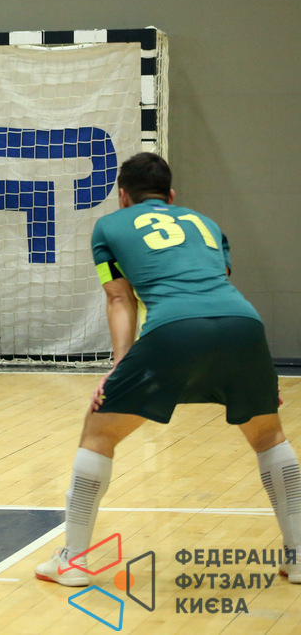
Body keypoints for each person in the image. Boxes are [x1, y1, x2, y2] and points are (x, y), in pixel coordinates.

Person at [35, 152, 299, 586]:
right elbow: (215, 281)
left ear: (123, 195)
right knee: (268, 436)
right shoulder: (206, 223)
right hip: (243, 324)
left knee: (98, 432)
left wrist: (120, 368)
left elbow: (120, 298)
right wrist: (253, 371)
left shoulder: (109, 226)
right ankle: (300, 554)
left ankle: (73, 561)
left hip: (173, 328)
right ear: (171, 195)